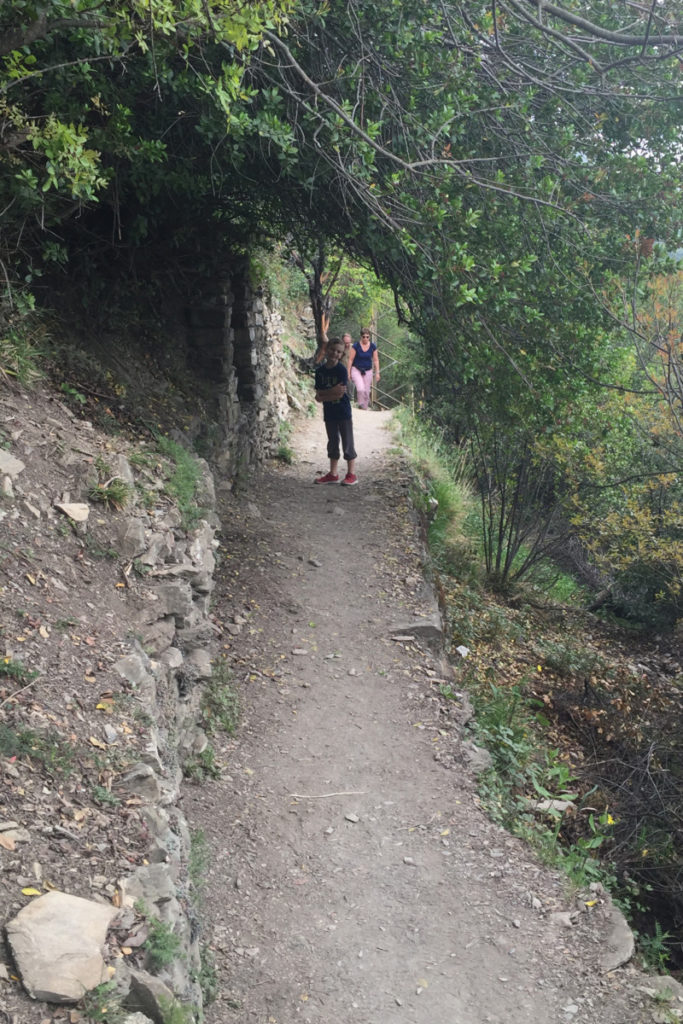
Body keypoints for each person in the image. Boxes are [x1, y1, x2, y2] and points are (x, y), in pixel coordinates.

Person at [313, 336, 358, 485]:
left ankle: (351, 474)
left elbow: (339, 393)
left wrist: (326, 394)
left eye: (339, 352)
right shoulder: (320, 371)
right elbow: (318, 397)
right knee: (332, 442)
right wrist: (331, 391)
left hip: (343, 412)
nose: (335, 354)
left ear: (342, 354)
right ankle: (333, 474)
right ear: (326, 350)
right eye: (332, 350)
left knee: (347, 442)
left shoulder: (341, 370)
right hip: (330, 413)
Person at [348, 327, 380, 410]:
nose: (365, 338)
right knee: (360, 389)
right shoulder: (356, 346)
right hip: (356, 369)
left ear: (369, 337)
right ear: (361, 337)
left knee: (366, 391)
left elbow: (376, 360)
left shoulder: (373, 346)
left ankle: (364, 408)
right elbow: (350, 360)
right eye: (364, 337)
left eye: (367, 337)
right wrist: (348, 373)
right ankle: (361, 404)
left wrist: (377, 373)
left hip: (368, 371)